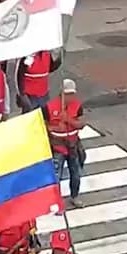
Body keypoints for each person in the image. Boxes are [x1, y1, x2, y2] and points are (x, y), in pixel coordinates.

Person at [45, 79, 85, 209]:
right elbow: (44, 126)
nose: (70, 97)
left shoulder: (77, 106)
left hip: (73, 145)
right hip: (58, 147)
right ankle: (56, 201)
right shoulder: (49, 106)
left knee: (76, 173)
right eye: (67, 94)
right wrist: (56, 128)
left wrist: (68, 119)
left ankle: (75, 196)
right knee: (56, 176)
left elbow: (82, 124)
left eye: (72, 94)